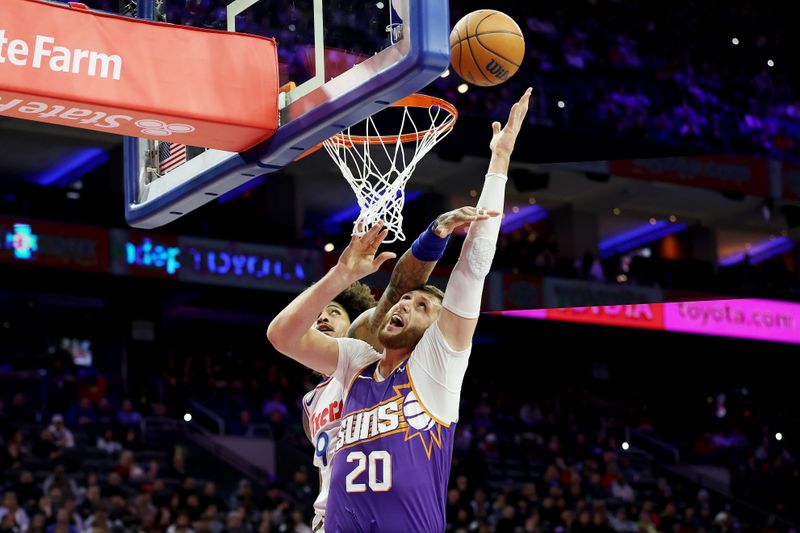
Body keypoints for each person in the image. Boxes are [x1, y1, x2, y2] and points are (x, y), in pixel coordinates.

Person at [268, 87, 531, 532]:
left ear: (436, 329)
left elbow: (473, 267)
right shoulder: (355, 363)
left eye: (423, 304)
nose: (407, 302)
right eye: (407, 298)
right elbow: (281, 337)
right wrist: (338, 277)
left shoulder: (436, 364)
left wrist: (499, 161)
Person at [302, 206, 495, 531]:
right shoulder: (310, 403)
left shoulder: (364, 353)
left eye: (333, 311)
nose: (322, 318)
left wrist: (434, 236)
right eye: (318, 313)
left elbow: (401, 285)